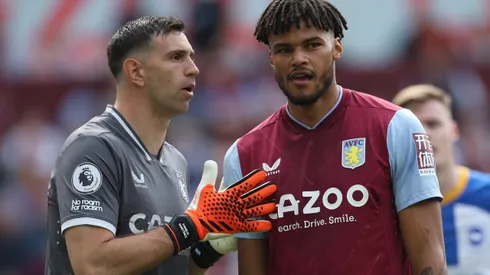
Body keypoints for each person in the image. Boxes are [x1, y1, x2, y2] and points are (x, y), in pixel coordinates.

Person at [222, 0, 448, 274]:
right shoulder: (245, 155)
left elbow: (430, 262)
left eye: (312, 45)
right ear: (271, 58)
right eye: (284, 50)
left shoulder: (395, 127)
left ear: (337, 48)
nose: (299, 59)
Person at [44, 16, 277, 275]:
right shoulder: (93, 147)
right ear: (136, 72)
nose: (193, 69)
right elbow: (92, 264)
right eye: (176, 57)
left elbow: (169, 263)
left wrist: (204, 251)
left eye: (191, 57)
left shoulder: (175, 160)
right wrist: (189, 227)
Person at [393, 84, 490, 274]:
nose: (424, 134)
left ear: (454, 130)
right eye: (415, 127)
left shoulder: (486, 195)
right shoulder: (385, 208)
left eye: (433, 124)